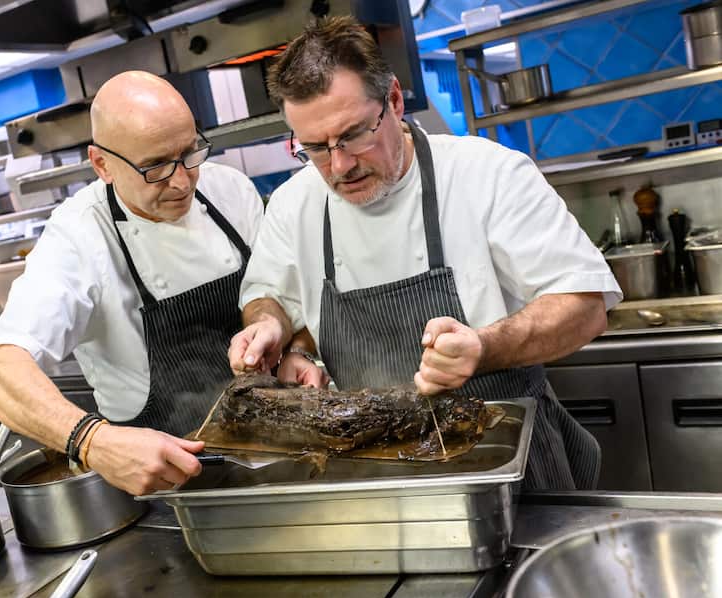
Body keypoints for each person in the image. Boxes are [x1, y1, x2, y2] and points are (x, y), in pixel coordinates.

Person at [228, 16, 622, 490]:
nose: (338, 165)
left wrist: (484, 348)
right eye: (313, 147)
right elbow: (270, 293)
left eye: (354, 135)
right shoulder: (294, 203)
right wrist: (275, 332)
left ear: (393, 101)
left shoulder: (488, 173)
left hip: (505, 460)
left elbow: (585, 306)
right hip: (374, 471)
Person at [0, 71, 265, 495]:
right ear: (102, 164)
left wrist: (288, 342)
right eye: (155, 167)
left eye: (189, 153)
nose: (182, 181)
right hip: (166, 487)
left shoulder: (231, 190)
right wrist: (92, 441)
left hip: (274, 455)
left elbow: (273, 292)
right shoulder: (77, 238)